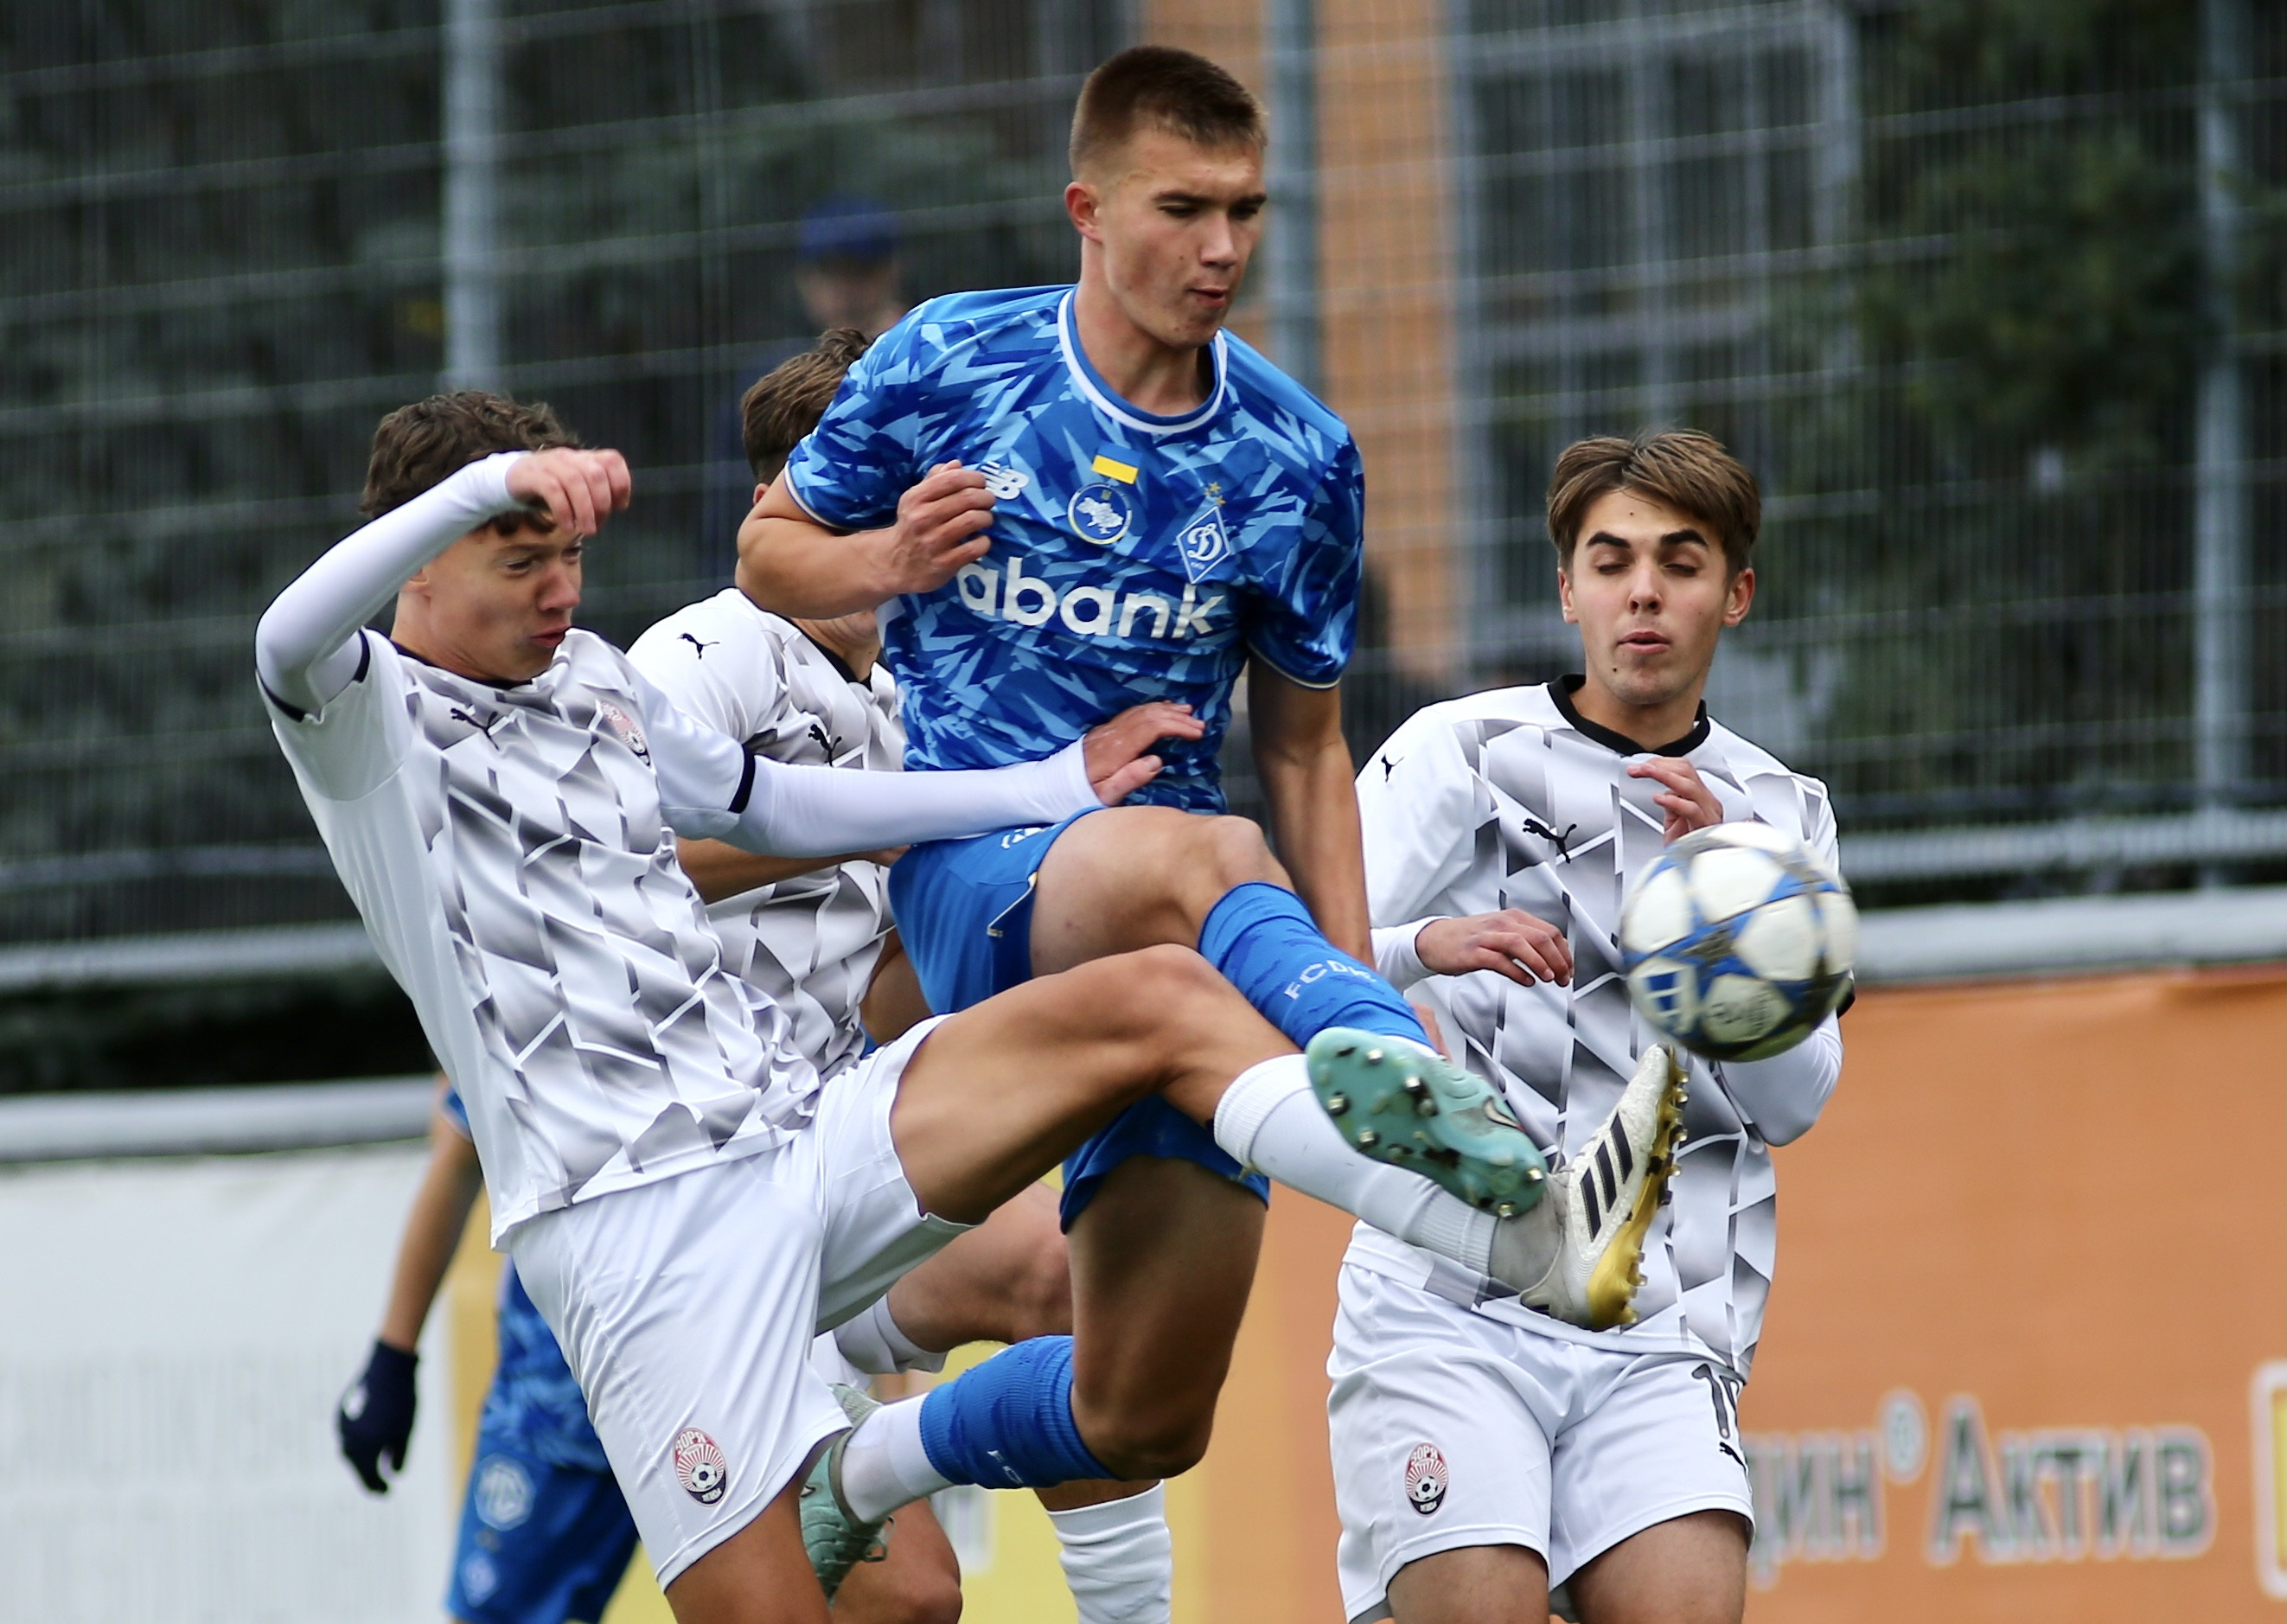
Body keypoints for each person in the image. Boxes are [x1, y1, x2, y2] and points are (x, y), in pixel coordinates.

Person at [257, 390, 1638, 1624]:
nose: (560, 584)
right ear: (424, 557)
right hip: (637, 1232)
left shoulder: (596, 679)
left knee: (1154, 996)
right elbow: (286, 629)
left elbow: (775, 804)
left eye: (569, 554)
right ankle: (866, 1470)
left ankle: (1517, 1240)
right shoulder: (364, 719)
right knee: (891, 1596)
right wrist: (475, 491)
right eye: (522, 554)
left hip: (792, 1143)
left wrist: (1049, 787)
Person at [734, 48, 1682, 1548]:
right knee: (1206, 853)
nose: (1223, 248)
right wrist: (885, 563)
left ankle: (868, 1466)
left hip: (1197, 922)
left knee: (1143, 1409)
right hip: (989, 876)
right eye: (1184, 209)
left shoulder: (1297, 456)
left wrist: (1343, 950)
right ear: (1088, 210)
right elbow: (767, 547)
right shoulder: (947, 361)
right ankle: (1429, 1105)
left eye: (1247, 211)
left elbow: (1307, 747)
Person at [632, 329, 1175, 1623]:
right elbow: (620, 876)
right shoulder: (699, 659)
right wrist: (869, 820)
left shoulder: (927, 690)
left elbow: (886, 992)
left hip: (834, 1158)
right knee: (914, 1597)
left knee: (1070, 1271)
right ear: (794, 504)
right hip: (697, 1195)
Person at [1337, 432, 1847, 1624]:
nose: (1643, 590)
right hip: (1448, 1305)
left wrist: (1729, 900)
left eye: (1681, 560)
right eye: (1609, 560)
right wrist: (1419, 948)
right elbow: (1285, 958)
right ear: (1566, 587)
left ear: (1736, 592)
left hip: (1666, 1327)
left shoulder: (1782, 812)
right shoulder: (1458, 749)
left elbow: (1796, 1102)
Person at [338, 1081, 642, 1624]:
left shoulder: (520, 999)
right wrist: (393, 1358)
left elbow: (457, 1150)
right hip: (593, 1392)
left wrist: (394, 1355)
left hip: (577, 1394)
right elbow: (457, 1137)